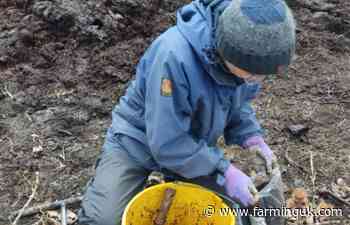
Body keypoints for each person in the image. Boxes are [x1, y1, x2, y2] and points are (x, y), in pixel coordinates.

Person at [78, 0, 296, 224]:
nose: (257, 79)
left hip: (193, 148)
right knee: (101, 220)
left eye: (263, 75)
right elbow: (167, 143)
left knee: (265, 208)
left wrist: (250, 136)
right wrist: (224, 170)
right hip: (137, 143)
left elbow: (237, 102)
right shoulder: (173, 56)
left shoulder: (245, 60)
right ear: (227, 51)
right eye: (252, 73)